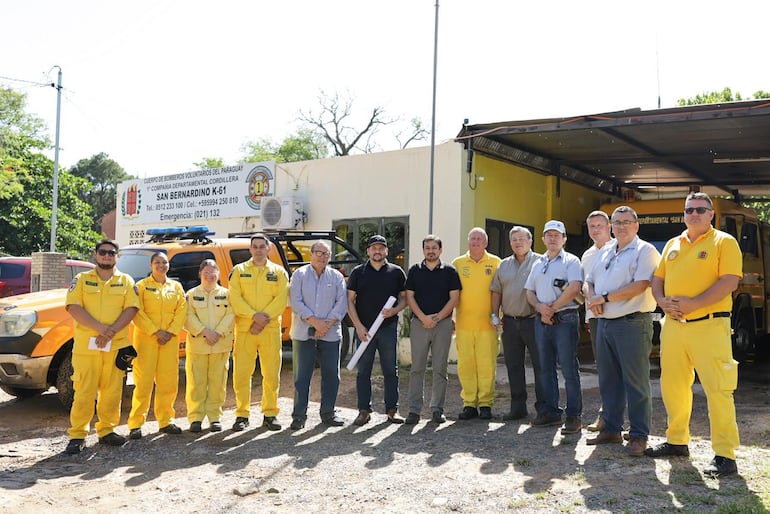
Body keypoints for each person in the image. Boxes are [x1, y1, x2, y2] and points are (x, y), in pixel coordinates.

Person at [646, 192, 742, 478]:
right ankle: (677, 441)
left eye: (701, 210)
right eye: (689, 210)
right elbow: (657, 279)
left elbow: (729, 281)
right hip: (674, 326)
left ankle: (725, 454)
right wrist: (662, 302)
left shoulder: (724, 242)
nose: (694, 214)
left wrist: (694, 304)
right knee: (673, 386)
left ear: (711, 214)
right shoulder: (673, 244)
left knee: (718, 390)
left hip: (710, 325)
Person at [584, 206, 660, 456]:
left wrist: (603, 298)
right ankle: (612, 429)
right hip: (605, 323)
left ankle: (639, 435)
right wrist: (591, 297)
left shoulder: (645, 250)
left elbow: (640, 285)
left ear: (636, 225)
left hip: (632, 323)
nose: (621, 226)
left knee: (636, 382)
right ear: (611, 226)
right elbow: (589, 279)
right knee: (608, 380)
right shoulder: (605, 250)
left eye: (627, 222)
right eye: (617, 222)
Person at [64, 239, 139, 454]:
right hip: (87, 348)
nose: (107, 256)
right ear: (95, 254)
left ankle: (106, 430)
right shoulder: (81, 279)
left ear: (118, 256)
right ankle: (78, 435)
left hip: (115, 346)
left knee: (112, 391)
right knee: (84, 391)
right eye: (103, 252)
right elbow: (73, 307)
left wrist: (111, 332)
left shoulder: (125, 281)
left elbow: (132, 309)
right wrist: (101, 329)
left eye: (112, 253)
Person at [524, 220, 584, 434]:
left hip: (565, 319)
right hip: (542, 320)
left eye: (557, 235)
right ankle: (551, 413)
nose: (552, 238)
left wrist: (551, 308)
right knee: (545, 369)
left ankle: (574, 416)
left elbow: (575, 288)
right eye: (548, 235)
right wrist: (541, 308)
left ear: (564, 239)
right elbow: (529, 291)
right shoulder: (538, 263)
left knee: (569, 369)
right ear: (543, 239)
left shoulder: (571, 261)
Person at [229, 234, 289, 432]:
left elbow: (281, 300)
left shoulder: (279, 273)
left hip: (270, 331)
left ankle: (270, 414)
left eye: (262, 246)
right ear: (250, 249)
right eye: (255, 247)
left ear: (269, 248)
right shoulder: (239, 271)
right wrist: (254, 316)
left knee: (271, 374)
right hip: (245, 330)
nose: (258, 250)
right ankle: (242, 414)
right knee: (241, 374)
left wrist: (263, 320)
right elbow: (235, 299)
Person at [348, 234, 407, 426]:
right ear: (368, 251)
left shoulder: (396, 272)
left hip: (387, 329)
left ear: (386, 251)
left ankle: (392, 410)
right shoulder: (358, 272)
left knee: (391, 370)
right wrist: (358, 326)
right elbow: (350, 301)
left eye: (381, 248)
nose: (377, 251)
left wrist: (395, 310)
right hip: (365, 330)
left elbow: (405, 298)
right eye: (374, 248)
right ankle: (364, 411)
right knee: (363, 371)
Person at [289, 241, 348, 429]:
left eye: (326, 254)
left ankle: (328, 413)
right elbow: (295, 301)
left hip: (330, 333)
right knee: (302, 375)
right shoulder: (299, 275)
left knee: (332, 375)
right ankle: (299, 415)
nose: (322, 257)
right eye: (319, 253)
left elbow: (342, 303)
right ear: (311, 254)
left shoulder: (336, 277)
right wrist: (315, 322)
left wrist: (326, 325)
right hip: (303, 333)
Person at [128, 252, 188, 438]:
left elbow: (182, 311)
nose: (161, 265)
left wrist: (169, 331)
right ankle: (136, 424)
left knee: (168, 382)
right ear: (151, 265)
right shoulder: (142, 287)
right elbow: (137, 312)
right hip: (147, 339)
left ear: (168, 265)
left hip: (169, 340)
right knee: (143, 383)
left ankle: (165, 420)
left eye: (164, 262)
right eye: (157, 262)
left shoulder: (176, 287)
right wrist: (155, 331)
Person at [404, 235, 461, 424]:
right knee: (417, 368)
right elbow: (409, 297)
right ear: (423, 250)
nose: (430, 250)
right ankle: (414, 410)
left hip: (442, 325)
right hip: (419, 324)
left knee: (440, 368)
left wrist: (437, 318)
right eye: (427, 248)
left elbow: (454, 298)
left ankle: (437, 409)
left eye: (434, 247)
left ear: (440, 250)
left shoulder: (450, 271)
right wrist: (423, 318)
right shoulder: (414, 271)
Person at [490, 226, 546, 421]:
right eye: (514, 239)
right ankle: (518, 407)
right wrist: (494, 315)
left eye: (522, 239)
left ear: (530, 241)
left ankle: (543, 408)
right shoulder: (503, 265)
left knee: (541, 366)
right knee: (513, 366)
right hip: (510, 323)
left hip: (534, 322)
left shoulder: (541, 261)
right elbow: (496, 291)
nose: (518, 242)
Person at [452, 227, 501, 420]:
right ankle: (469, 403)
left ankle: (486, 403)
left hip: (488, 326)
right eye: (472, 239)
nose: (475, 242)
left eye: (479, 239)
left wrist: (499, 317)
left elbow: (501, 292)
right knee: (466, 366)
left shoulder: (496, 263)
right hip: (463, 325)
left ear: (486, 242)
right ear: (468, 241)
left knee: (487, 365)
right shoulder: (457, 263)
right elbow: (451, 294)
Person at [184, 259, 235, 433]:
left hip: (220, 345)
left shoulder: (227, 294)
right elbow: (187, 317)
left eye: (213, 272)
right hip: (198, 346)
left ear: (218, 274)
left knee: (218, 382)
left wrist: (217, 333)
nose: (209, 276)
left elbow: (231, 315)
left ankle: (215, 417)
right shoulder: (190, 294)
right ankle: (196, 417)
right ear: (200, 274)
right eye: (206, 272)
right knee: (196, 383)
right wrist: (205, 332)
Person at [580, 210, 613, 432]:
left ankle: (622, 419)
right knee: (604, 368)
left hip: (617, 316)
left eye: (599, 225)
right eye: (592, 226)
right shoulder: (587, 255)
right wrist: (592, 300)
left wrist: (603, 300)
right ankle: (606, 415)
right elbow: (584, 284)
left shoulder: (619, 249)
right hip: (595, 317)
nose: (595, 229)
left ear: (609, 226)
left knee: (622, 370)